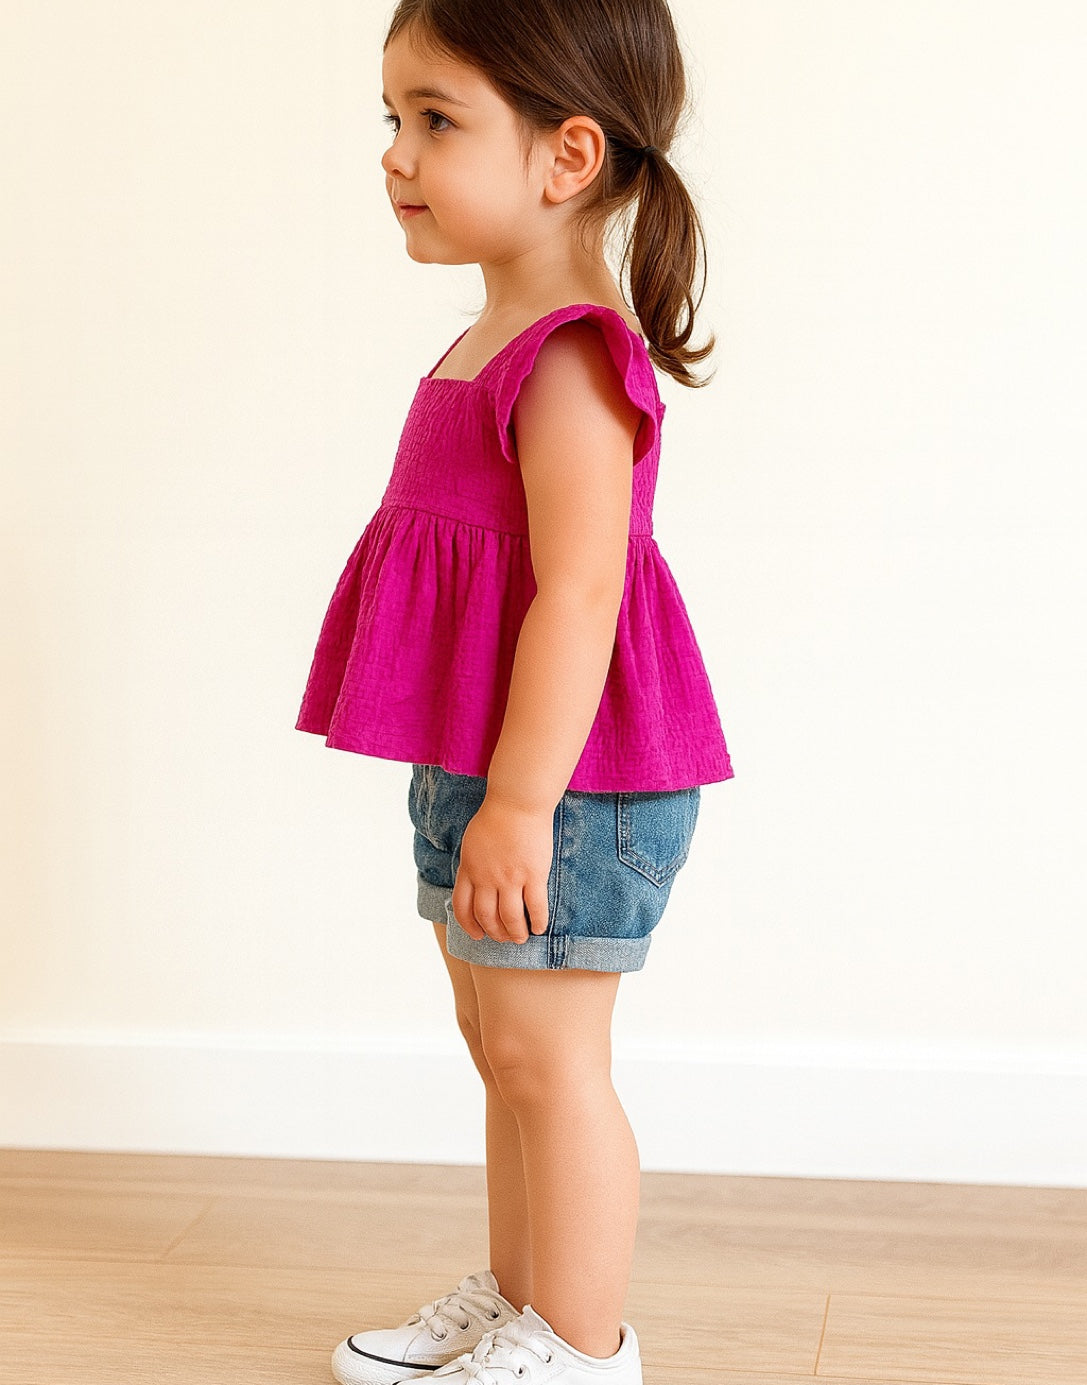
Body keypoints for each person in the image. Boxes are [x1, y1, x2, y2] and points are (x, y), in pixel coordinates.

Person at [295, 1, 733, 1381]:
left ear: (567, 155)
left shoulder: (568, 354)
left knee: (552, 1063)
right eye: (394, 117)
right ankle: (522, 1300)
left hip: (568, 783)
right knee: (502, 1049)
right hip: (490, 769)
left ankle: (584, 1348)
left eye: (436, 120)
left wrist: (523, 803)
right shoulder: (496, 331)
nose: (396, 153)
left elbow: (583, 594)